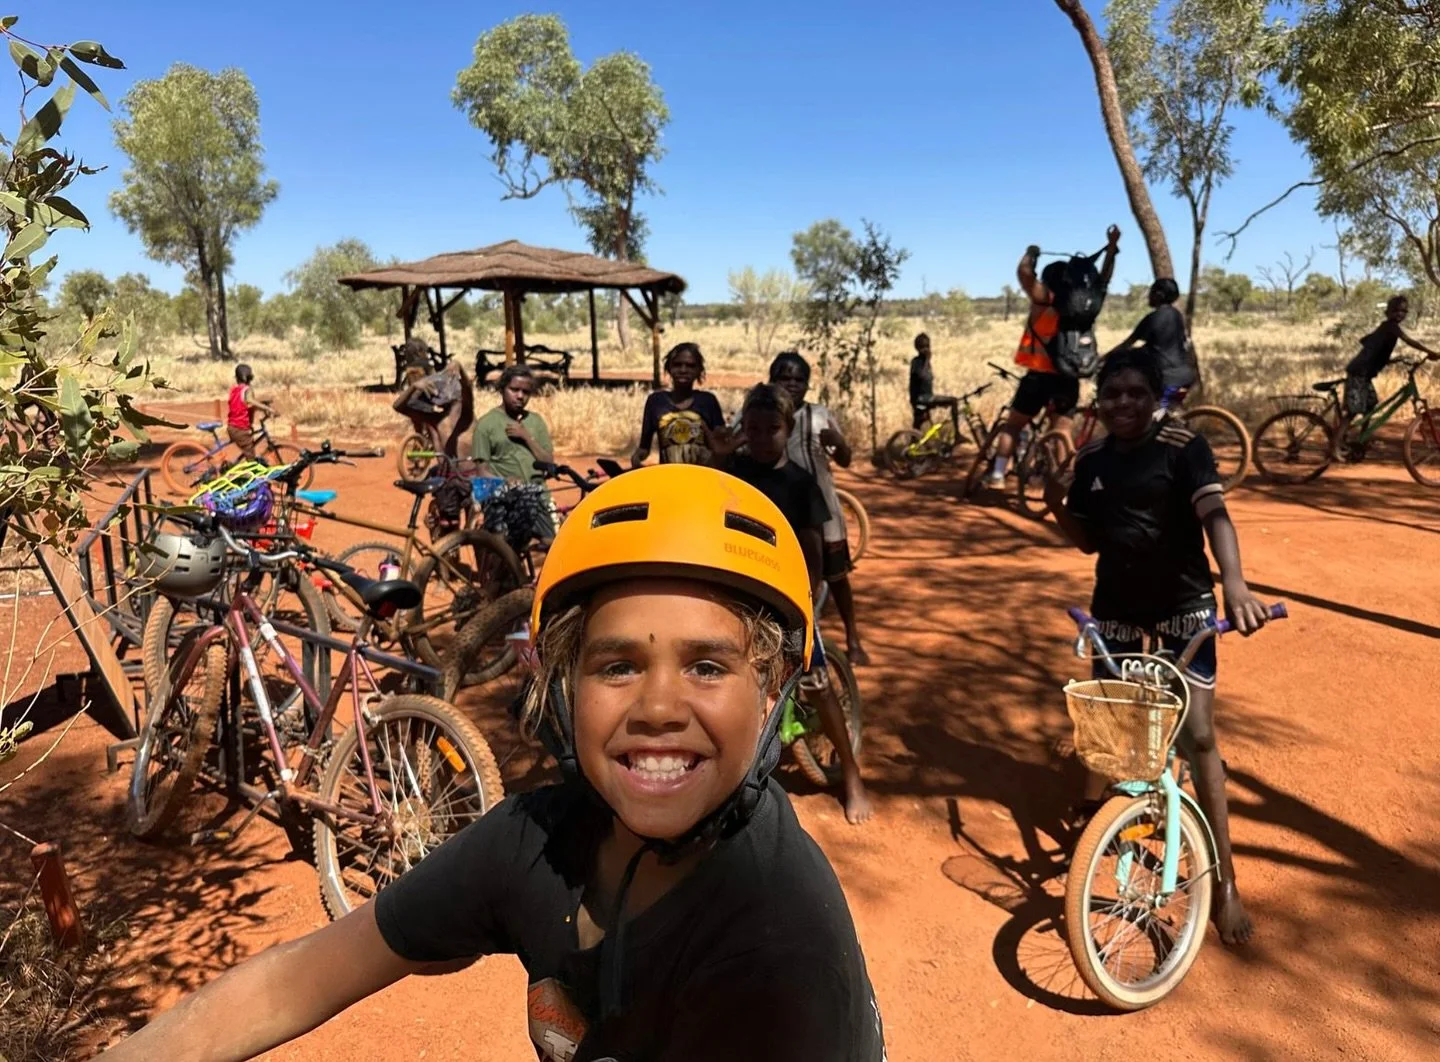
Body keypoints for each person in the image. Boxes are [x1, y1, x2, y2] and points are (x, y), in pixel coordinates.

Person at [99, 465, 886, 1061]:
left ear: (776, 688)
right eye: (616, 666)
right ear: (562, 685)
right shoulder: (537, 841)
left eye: (708, 667)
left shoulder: (780, 958)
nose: (656, 707)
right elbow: (288, 982)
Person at [1043, 347, 1270, 947]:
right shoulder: (1092, 458)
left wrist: (1237, 586)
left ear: (1155, 396)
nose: (1122, 403)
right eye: (1111, 393)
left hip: (1184, 607)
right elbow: (1088, 540)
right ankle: (1097, 828)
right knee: (1111, 730)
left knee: (1198, 738)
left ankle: (1224, 883)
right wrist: (1052, 498)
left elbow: (1215, 514)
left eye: (1135, 393)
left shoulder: (1182, 447)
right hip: (1116, 610)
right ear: (1099, 400)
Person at [709, 384, 874, 825]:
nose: (762, 437)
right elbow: (708, 501)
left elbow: (815, 553)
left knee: (817, 682)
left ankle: (852, 774)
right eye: (753, 428)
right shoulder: (734, 471)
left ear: (788, 429)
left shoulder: (801, 483)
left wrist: (807, 601)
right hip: (740, 586)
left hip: (788, 591)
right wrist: (721, 456)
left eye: (772, 429)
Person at [987, 227, 1120, 488]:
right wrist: (1112, 248)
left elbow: (1024, 275)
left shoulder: (1045, 298)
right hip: (1068, 376)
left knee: (1013, 425)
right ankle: (1065, 483)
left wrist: (1030, 254)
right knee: (1061, 431)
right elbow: (1104, 278)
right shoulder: (1088, 304)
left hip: (1038, 375)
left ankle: (998, 474)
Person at [770, 351, 871, 666]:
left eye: (798, 379)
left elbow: (844, 459)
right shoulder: (761, 411)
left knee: (836, 575)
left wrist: (839, 442)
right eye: (784, 378)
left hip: (821, 506)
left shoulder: (819, 415)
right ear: (772, 380)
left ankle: (852, 638)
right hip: (779, 507)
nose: (791, 384)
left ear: (808, 384)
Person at [1342, 295, 1439, 425]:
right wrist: (1430, 352)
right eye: (1396, 310)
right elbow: (1409, 340)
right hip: (1359, 371)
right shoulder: (1390, 326)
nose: (1400, 314)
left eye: (1404, 311)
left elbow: (1367, 341)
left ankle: (1362, 440)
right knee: (1354, 409)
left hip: (1365, 373)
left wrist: (1386, 359)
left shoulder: (1385, 327)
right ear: (1389, 312)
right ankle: (1336, 442)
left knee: (1370, 405)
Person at [631, 342, 725, 466]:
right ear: (668, 368)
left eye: (690, 366)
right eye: (677, 365)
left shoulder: (708, 402)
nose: (683, 370)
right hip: (669, 478)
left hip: (702, 478)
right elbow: (644, 448)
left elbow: (720, 443)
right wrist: (636, 459)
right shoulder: (656, 402)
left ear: (699, 370)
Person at [1105, 277, 1197, 397]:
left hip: (1165, 377)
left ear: (1159, 295)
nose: (1149, 296)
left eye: (1151, 292)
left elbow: (1128, 343)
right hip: (1185, 375)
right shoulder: (1177, 315)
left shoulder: (1152, 318)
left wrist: (1105, 358)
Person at [471, 364, 554, 483]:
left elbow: (548, 462)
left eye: (526, 392)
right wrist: (505, 482)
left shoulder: (536, 421)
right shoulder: (486, 424)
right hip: (506, 498)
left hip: (539, 496)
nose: (520, 396)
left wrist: (527, 437)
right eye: (514, 390)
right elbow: (481, 473)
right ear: (502, 389)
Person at [908, 333, 958, 431]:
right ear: (917, 348)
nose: (926, 349)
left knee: (919, 425)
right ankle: (957, 434)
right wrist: (927, 360)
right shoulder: (916, 362)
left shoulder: (923, 362)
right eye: (923, 347)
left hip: (926, 397)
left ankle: (914, 441)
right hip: (922, 398)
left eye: (928, 346)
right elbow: (921, 376)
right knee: (953, 401)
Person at [226, 363, 272, 461]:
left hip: (233, 427)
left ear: (237, 378)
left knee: (248, 449)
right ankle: (251, 474)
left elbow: (245, 405)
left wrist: (262, 405)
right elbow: (250, 401)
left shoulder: (235, 390)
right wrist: (267, 409)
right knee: (250, 454)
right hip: (239, 429)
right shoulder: (247, 390)